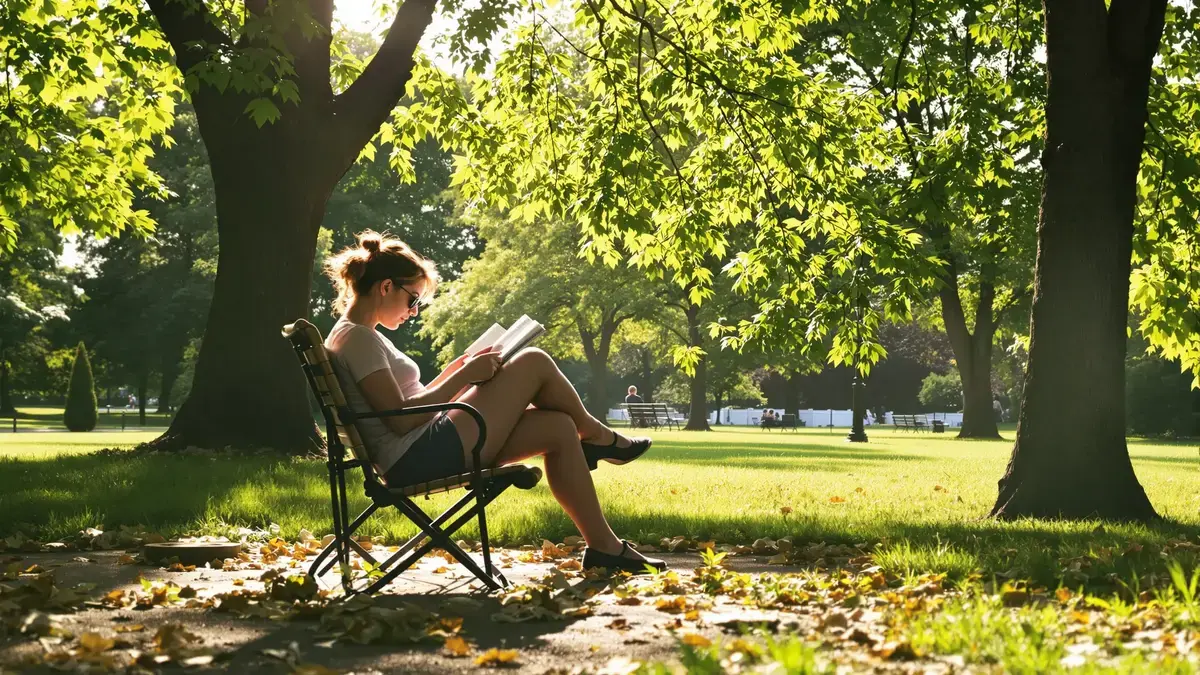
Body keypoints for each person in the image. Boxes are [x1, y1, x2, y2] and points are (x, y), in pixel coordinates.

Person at [323, 231, 664, 574]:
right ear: (385, 287)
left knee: (558, 428)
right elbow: (401, 419)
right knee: (533, 361)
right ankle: (597, 437)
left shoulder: (356, 334)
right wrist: (464, 376)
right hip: (415, 457)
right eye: (413, 300)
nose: (413, 311)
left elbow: (406, 404)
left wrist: (457, 369)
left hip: (424, 445)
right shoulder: (358, 339)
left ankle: (604, 547)